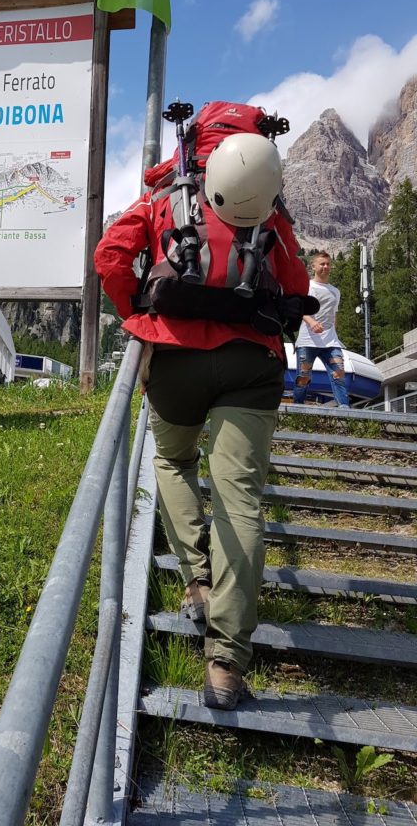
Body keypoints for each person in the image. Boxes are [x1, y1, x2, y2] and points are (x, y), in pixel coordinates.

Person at [94, 115, 310, 710]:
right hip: (252, 362)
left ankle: (196, 579)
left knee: (172, 458)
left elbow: (111, 255)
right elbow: (295, 278)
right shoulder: (270, 202)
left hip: (176, 357)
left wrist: (137, 313)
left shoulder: (169, 194)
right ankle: (225, 664)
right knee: (240, 497)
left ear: (195, 143)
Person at [292, 251, 350, 408]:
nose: (326, 267)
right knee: (303, 377)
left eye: (328, 264)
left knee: (339, 374)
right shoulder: (307, 286)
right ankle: (297, 408)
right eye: (322, 264)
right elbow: (298, 309)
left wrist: (335, 334)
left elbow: (334, 315)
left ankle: (345, 410)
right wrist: (311, 321)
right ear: (314, 266)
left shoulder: (335, 291)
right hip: (307, 341)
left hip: (330, 342)